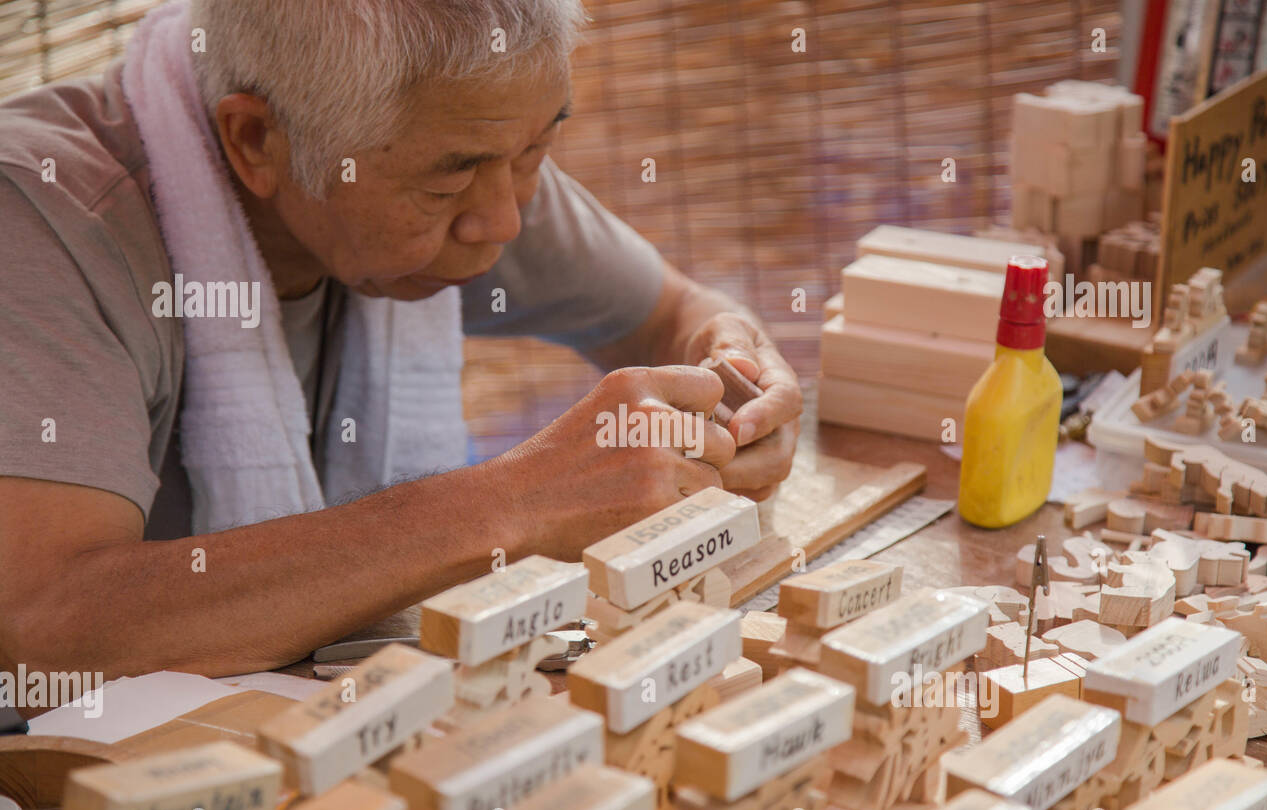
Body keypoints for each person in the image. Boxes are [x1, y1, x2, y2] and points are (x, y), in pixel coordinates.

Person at [0, 0, 800, 682]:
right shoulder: (41, 224)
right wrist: (514, 501)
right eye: (445, 186)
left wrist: (736, 374)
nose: (503, 222)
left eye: (535, 152)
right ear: (254, 142)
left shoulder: (468, 144)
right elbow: (38, 634)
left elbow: (680, 315)